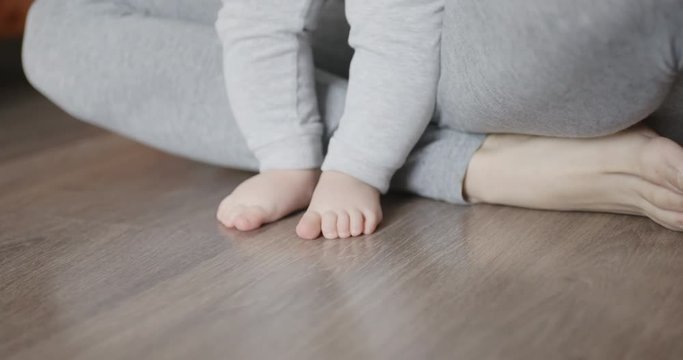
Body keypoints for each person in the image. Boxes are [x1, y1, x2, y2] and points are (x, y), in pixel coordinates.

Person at [22, 0, 683, 236]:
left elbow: (398, 34)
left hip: (463, 32)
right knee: (57, 26)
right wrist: (287, 159)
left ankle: (454, 155)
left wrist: (356, 168)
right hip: (366, 36)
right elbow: (255, 22)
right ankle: (473, 163)